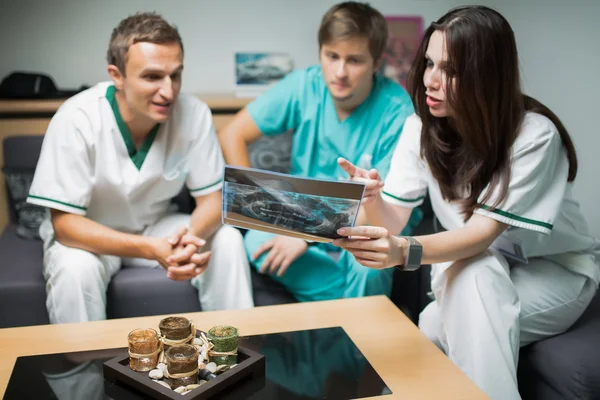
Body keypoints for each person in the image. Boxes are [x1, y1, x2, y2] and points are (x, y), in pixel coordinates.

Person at [334, 5, 599, 400]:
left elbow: (480, 235)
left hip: (554, 273)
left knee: (446, 310)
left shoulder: (534, 136)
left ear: (488, 76)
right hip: (479, 267)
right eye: (429, 64)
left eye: (451, 71)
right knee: (449, 305)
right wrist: (370, 199)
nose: (431, 81)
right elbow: (393, 220)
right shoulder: (419, 129)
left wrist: (402, 252)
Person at [26, 12, 254, 325]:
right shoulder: (76, 118)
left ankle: (234, 354)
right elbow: (65, 225)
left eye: (175, 75)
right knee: (73, 269)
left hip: (157, 227)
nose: (169, 91)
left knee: (227, 238)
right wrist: (152, 250)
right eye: (152, 77)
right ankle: (82, 373)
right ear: (116, 75)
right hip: (92, 236)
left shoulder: (194, 114)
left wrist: (186, 240)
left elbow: (213, 202)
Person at [219, 1, 422, 302]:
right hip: (301, 216)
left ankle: (351, 329)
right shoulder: (304, 85)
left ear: (376, 62)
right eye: (332, 56)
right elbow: (231, 133)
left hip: (367, 226)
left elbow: (381, 214)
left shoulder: (398, 110)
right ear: (321, 53)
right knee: (257, 242)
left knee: (369, 268)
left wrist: (307, 237)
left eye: (354, 61)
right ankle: (349, 312)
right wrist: (258, 202)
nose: (340, 72)